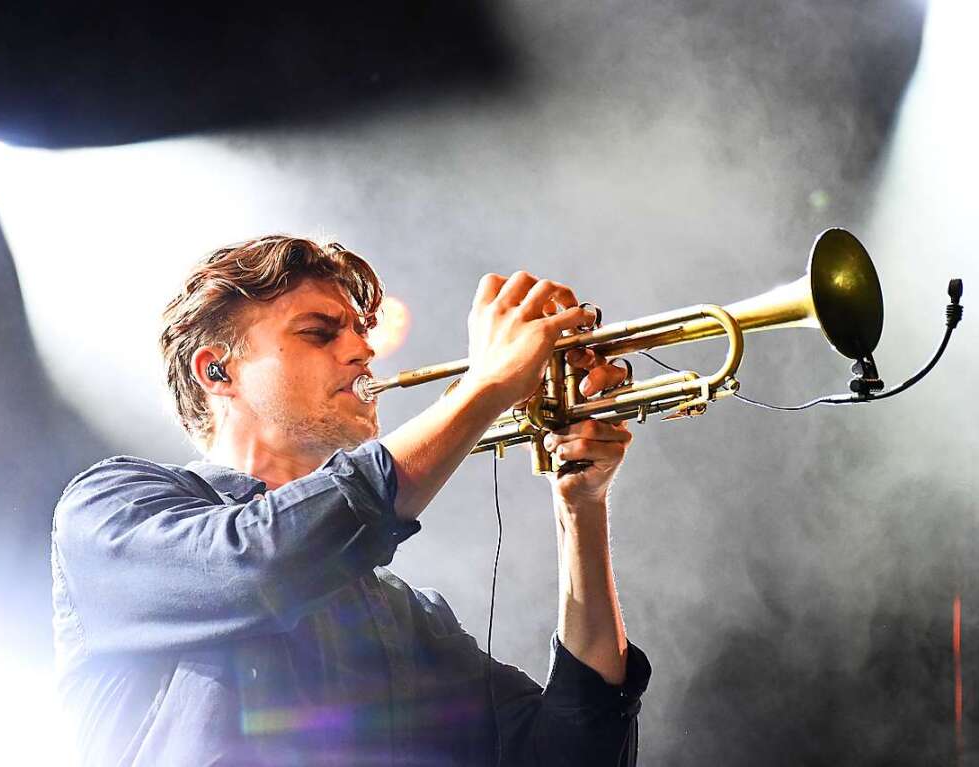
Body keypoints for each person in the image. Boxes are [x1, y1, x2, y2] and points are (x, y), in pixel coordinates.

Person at [51, 236, 652, 766]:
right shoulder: (111, 506)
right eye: (319, 332)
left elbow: (565, 754)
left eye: (362, 333)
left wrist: (582, 505)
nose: (362, 352)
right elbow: (259, 562)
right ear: (217, 373)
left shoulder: (402, 615)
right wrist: (486, 387)